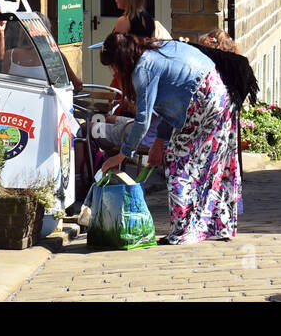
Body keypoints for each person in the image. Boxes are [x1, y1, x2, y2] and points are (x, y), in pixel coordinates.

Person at [99, 32, 240, 243]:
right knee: (215, 162)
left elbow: (143, 121)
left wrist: (121, 155)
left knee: (177, 159)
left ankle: (183, 231)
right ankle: (219, 225)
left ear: (120, 62)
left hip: (201, 100)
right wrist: (160, 140)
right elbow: (173, 103)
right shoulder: (159, 48)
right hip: (220, 93)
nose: (115, 71)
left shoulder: (142, 70)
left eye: (114, 66)